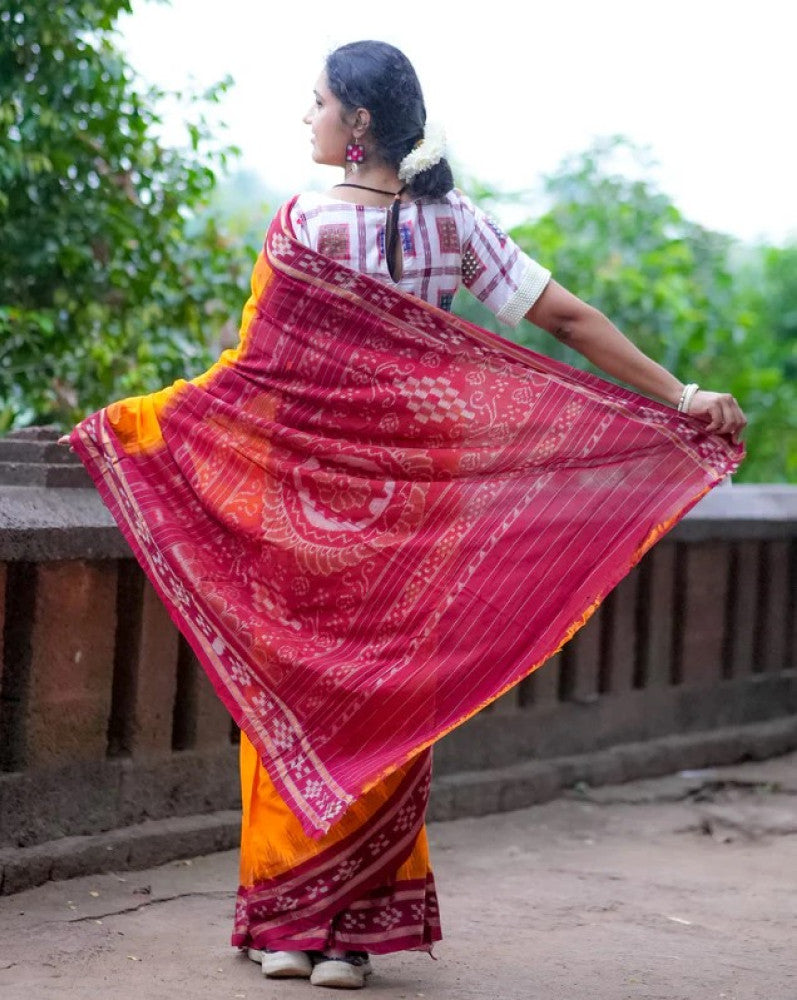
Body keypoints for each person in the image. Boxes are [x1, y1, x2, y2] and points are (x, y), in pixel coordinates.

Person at [67, 40, 745, 991]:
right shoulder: (452, 222)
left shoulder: (301, 222)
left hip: (302, 510)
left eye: (315, 104)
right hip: (420, 515)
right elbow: (567, 322)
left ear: (358, 126)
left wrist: (140, 426)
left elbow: (250, 377)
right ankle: (350, 938)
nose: (304, 118)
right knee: (385, 707)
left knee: (294, 705)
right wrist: (679, 399)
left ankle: (289, 931)